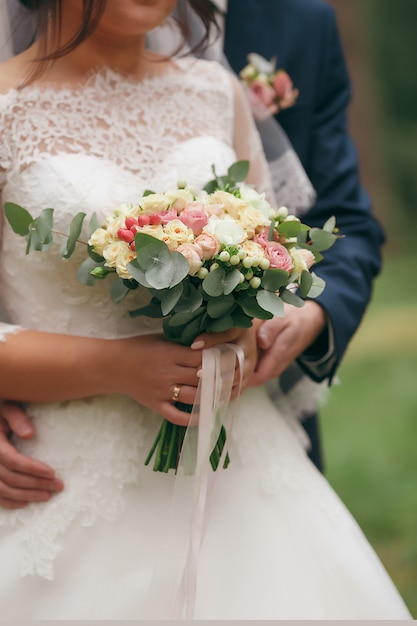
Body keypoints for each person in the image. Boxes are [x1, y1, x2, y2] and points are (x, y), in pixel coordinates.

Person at [0, 0, 412, 619]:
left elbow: (280, 255)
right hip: (61, 483)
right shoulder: (7, 107)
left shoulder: (216, 92)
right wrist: (119, 368)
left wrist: (249, 328)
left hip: (243, 475)